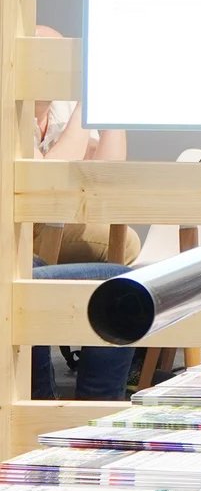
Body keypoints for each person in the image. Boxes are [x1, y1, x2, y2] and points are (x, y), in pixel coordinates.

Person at [31, 24, 137, 402]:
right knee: (120, 280)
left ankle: (97, 409)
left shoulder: (59, 112)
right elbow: (48, 181)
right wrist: (90, 102)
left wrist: (111, 108)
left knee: (121, 278)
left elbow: (109, 175)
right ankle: (41, 404)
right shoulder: (11, 112)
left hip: (37, 245)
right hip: (18, 252)